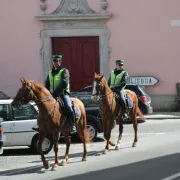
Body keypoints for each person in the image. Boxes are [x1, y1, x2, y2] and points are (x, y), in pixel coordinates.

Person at [45, 55, 77, 133]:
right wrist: (47, 92)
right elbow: (47, 83)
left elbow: (64, 83)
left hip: (63, 94)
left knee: (69, 106)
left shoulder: (64, 71)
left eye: (57, 61)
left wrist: (56, 91)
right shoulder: (50, 72)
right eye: (54, 61)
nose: (55, 62)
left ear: (60, 62)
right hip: (52, 95)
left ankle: (73, 125)